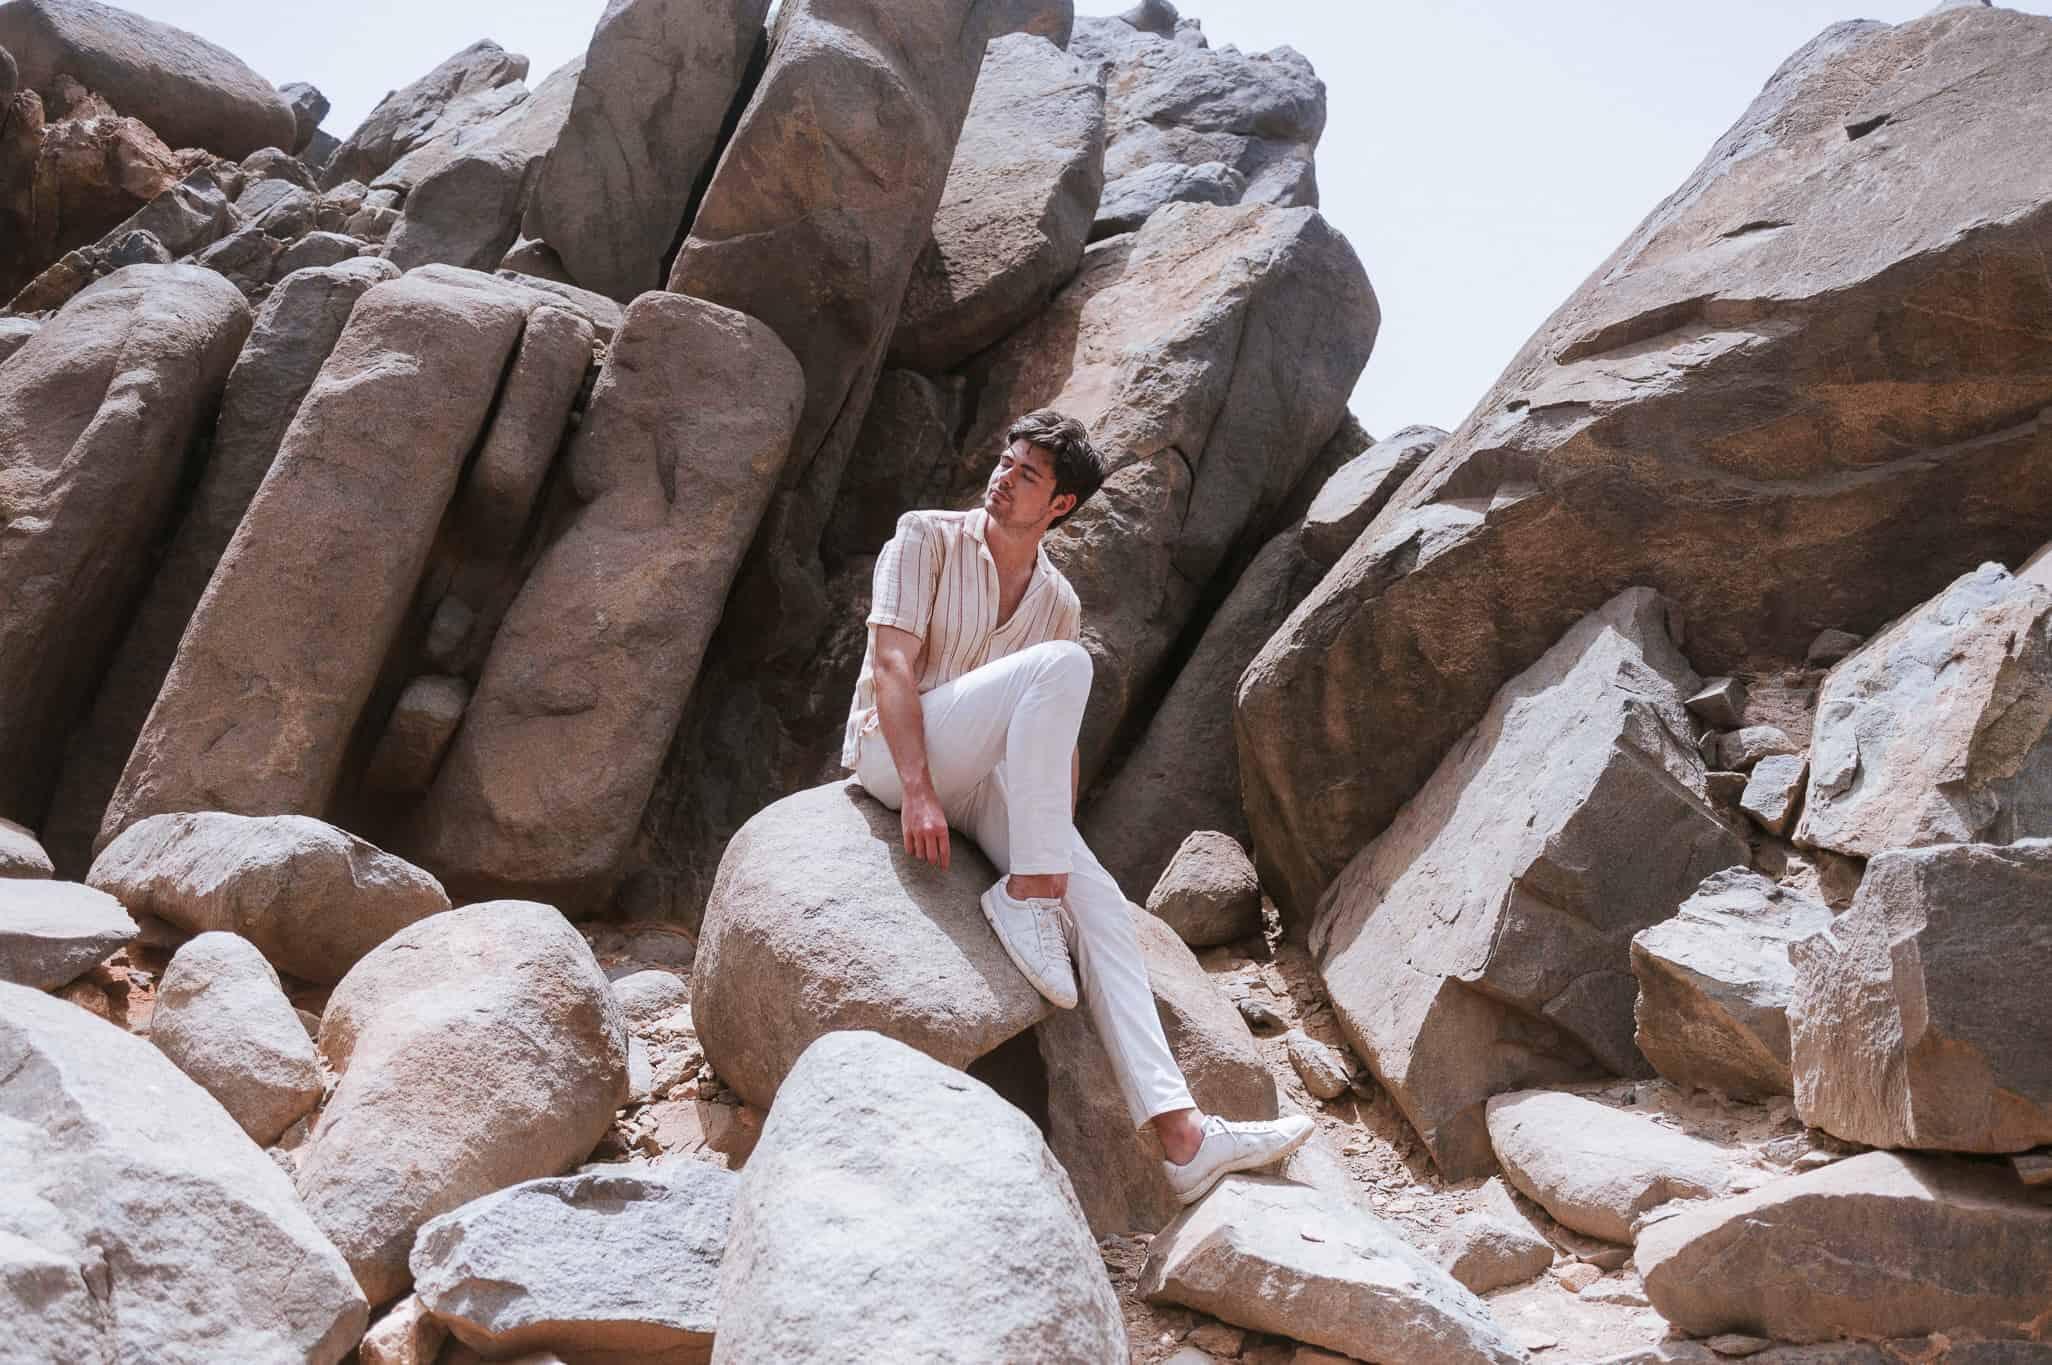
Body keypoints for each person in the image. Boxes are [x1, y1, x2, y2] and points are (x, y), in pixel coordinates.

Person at [843, 408, 1312, 1204]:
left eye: (1027, 474)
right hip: (896, 756)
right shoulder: (924, 535)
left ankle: (1182, 1133)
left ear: (1060, 505)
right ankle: (1025, 895)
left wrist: (1055, 851)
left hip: (983, 780)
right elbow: (892, 663)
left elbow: (1052, 750)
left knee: (1098, 902)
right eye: (1005, 460)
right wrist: (918, 790)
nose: (1002, 478)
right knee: (1063, 667)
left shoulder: (1055, 597)